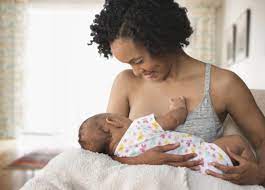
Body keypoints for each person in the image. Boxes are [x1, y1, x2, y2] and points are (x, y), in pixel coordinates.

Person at [88, 0, 265, 185]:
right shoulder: (126, 82)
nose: (135, 71)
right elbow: (104, 155)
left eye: (138, 60)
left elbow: (262, 140)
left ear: (161, 41)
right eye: (129, 64)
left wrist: (260, 175)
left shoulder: (223, 84)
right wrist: (136, 161)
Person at [78, 97, 255, 175]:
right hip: (205, 156)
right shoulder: (138, 125)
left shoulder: (121, 158)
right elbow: (173, 119)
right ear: (113, 121)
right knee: (236, 141)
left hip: (195, 174)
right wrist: (178, 106)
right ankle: (249, 174)